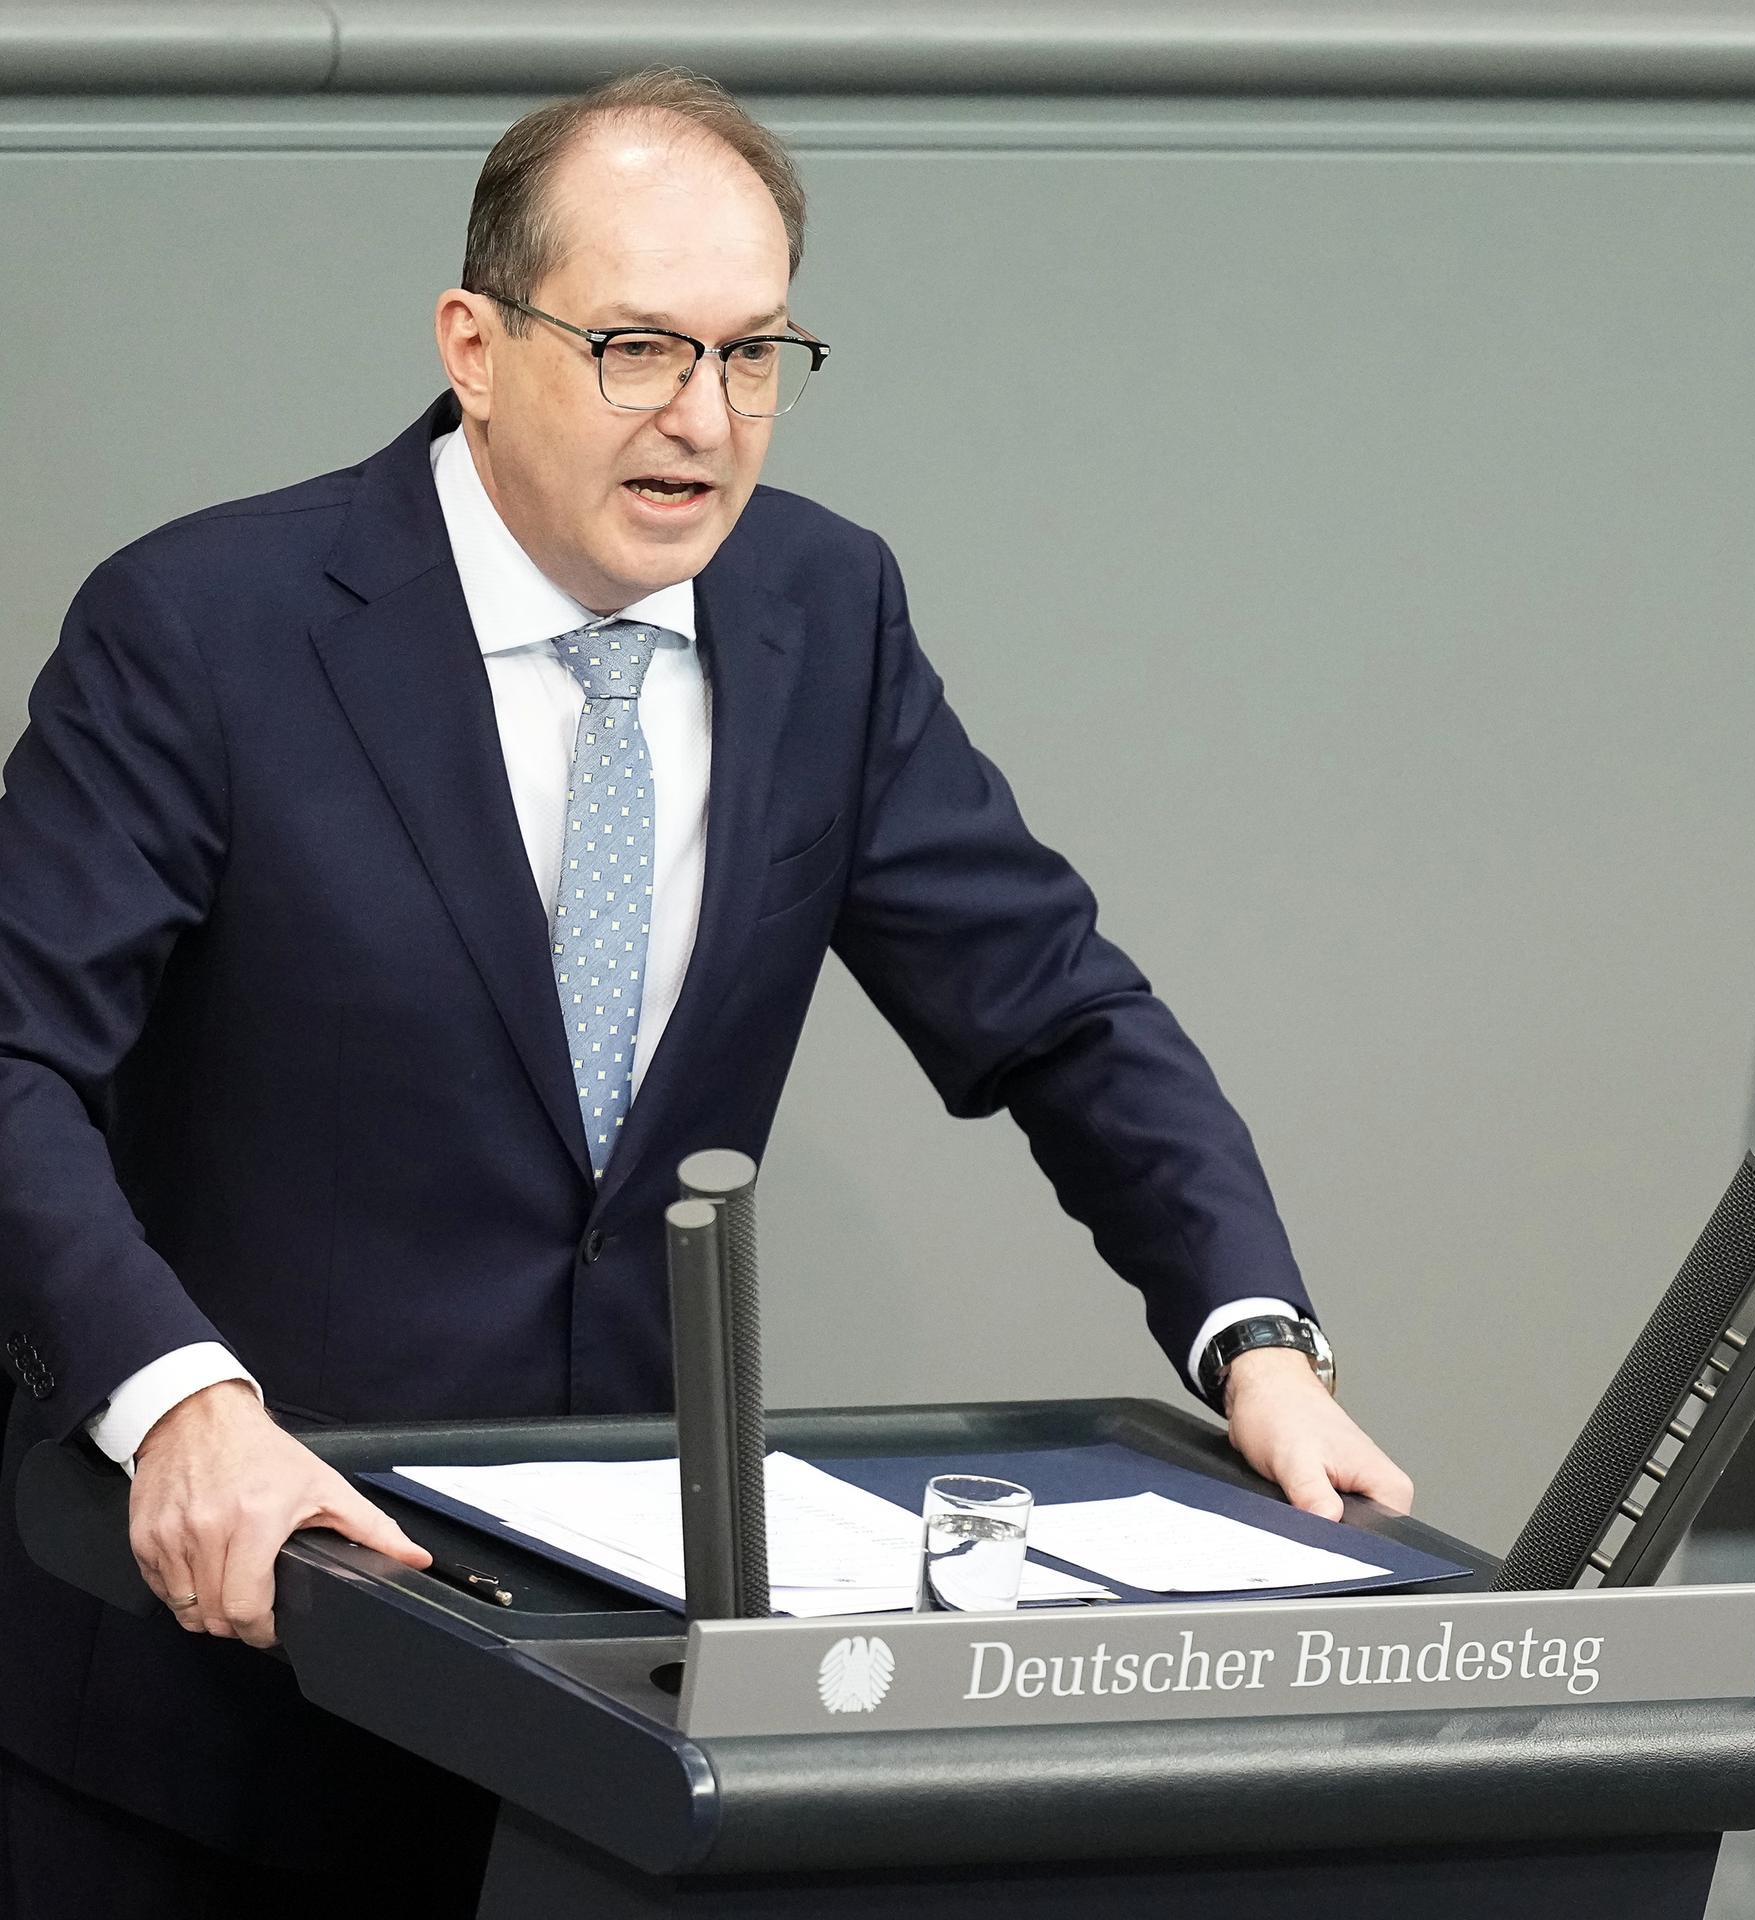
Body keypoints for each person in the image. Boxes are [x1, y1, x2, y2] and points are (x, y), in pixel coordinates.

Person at [0, 67, 1411, 1915]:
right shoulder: (207, 626)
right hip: (215, 1666)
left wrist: (1256, 1337)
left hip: (604, 1694)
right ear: (476, 343)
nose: (706, 420)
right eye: (640, 347)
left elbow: (1057, 1007)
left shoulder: (823, 613)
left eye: (756, 357)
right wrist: (180, 1404)